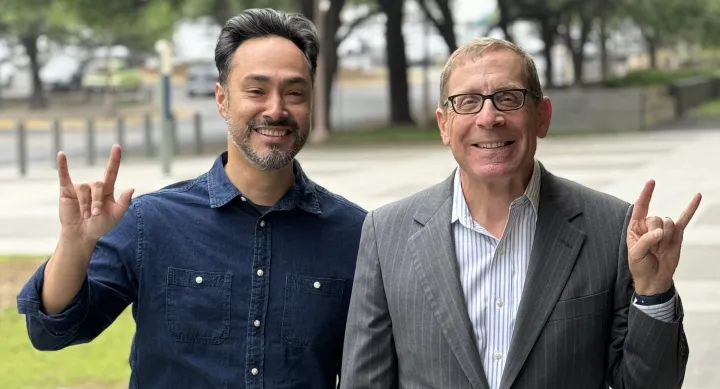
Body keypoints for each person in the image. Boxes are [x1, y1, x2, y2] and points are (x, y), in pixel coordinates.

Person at [17, 8, 366, 389]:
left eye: (295, 92)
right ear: (222, 99)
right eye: (256, 91)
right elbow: (50, 331)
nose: (276, 109)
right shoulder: (151, 222)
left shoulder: (358, 235)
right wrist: (75, 243)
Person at [340, 37, 700, 389]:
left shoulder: (611, 228)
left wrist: (654, 291)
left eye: (508, 98)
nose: (489, 117)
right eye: (467, 102)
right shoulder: (386, 234)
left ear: (542, 116)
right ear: (444, 125)